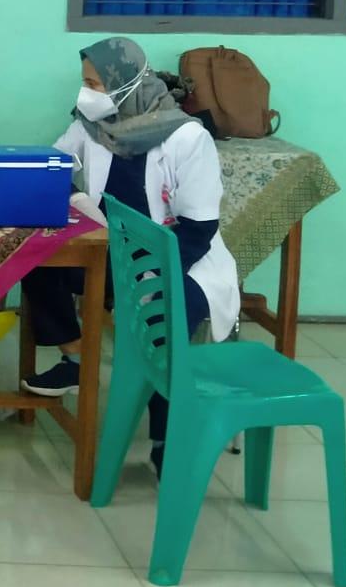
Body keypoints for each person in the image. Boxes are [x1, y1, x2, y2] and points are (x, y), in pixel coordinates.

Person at [21, 37, 238, 478]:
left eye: (95, 84)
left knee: (166, 318)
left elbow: (199, 230)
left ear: (127, 83)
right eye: (85, 83)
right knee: (36, 259)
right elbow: (57, 166)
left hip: (180, 260)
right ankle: (77, 358)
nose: (87, 94)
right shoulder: (92, 124)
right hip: (110, 250)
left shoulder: (186, 137)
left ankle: (164, 439)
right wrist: (69, 193)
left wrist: (152, 277)